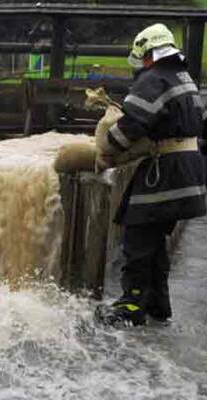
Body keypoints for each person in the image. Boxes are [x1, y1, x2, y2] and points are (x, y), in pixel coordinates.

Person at [97, 23, 207, 326]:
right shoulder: (183, 78)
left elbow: (133, 124)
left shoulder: (153, 79)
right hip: (189, 170)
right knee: (155, 237)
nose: (141, 66)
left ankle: (132, 304)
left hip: (167, 171)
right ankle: (158, 303)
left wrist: (107, 146)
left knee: (138, 233)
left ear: (149, 54)